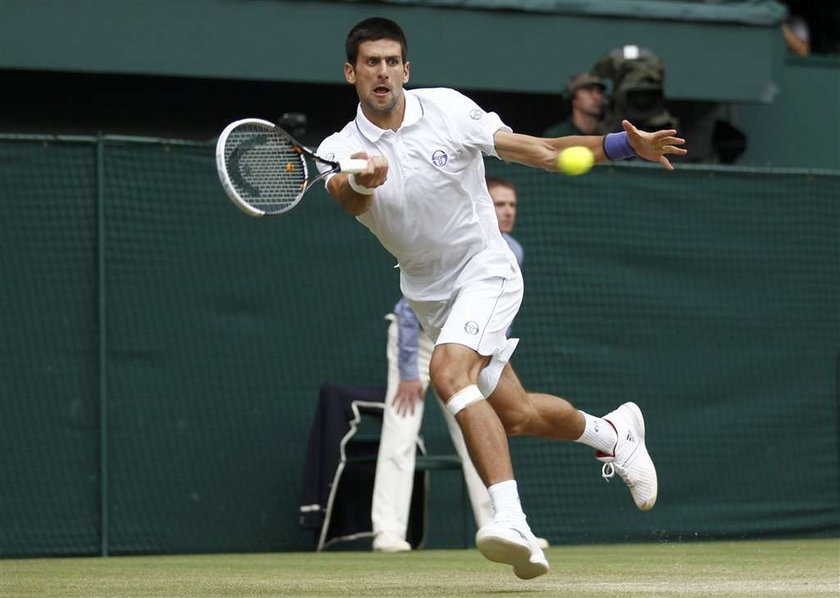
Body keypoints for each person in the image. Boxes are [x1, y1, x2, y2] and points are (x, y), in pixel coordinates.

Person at [317, 17, 686, 580]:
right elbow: (349, 201)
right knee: (516, 415)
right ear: (352, 73)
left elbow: (539, 150)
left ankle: (510, 517)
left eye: (393, 61)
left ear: (407, 70)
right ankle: (612, 433)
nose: (383, 71)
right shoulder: (339, 148)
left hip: (486, 270)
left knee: (447, 372)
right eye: (372, 62)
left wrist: (621, 146)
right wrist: (365, 180)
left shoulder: (447, 110)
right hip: (430, 296)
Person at [371, 177, 543, 553]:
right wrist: (410, 373)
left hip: (466, 341)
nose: (507, 212)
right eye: (499, 204)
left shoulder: (512, 250)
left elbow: (497, 313)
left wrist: (490, 358)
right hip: (416, 341)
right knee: (401, 432)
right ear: (483, 204)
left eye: (512, 205)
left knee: (476, 427)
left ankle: (503, 523)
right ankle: (387, 531)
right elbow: (405, 311)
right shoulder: (453, 235)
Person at [542, 72, 606, 137]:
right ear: (573, 98)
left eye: (599, 92)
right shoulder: (557, 136)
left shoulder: (607, 135)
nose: (597, 97)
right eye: (589, 91)